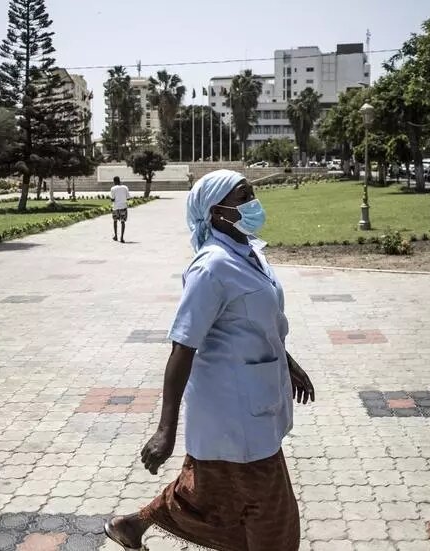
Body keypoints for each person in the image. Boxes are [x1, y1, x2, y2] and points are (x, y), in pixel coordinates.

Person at [104, 169, 315, 551]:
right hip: (233, 411)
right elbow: (182, 347)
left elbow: (255, 325)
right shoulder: (211, 267)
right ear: (217, 213)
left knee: (205, 491)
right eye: (243, 195)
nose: (253, 201)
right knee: (274, 521)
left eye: (251, 191)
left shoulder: (250, 253)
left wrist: (287, 361)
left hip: (253, 402)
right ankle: (135, 525)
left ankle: (132, 526)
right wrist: (165, 430)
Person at [110, 176, 130, 243]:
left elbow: (112, 199)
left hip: (115, 207)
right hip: (123, 207)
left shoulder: (113, 188)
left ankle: (116, 236)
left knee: (115, 221)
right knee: (123, 222)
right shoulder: (125, 187)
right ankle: (122, 238)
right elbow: (128, 198)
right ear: (119, 180)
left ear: (114, 181)